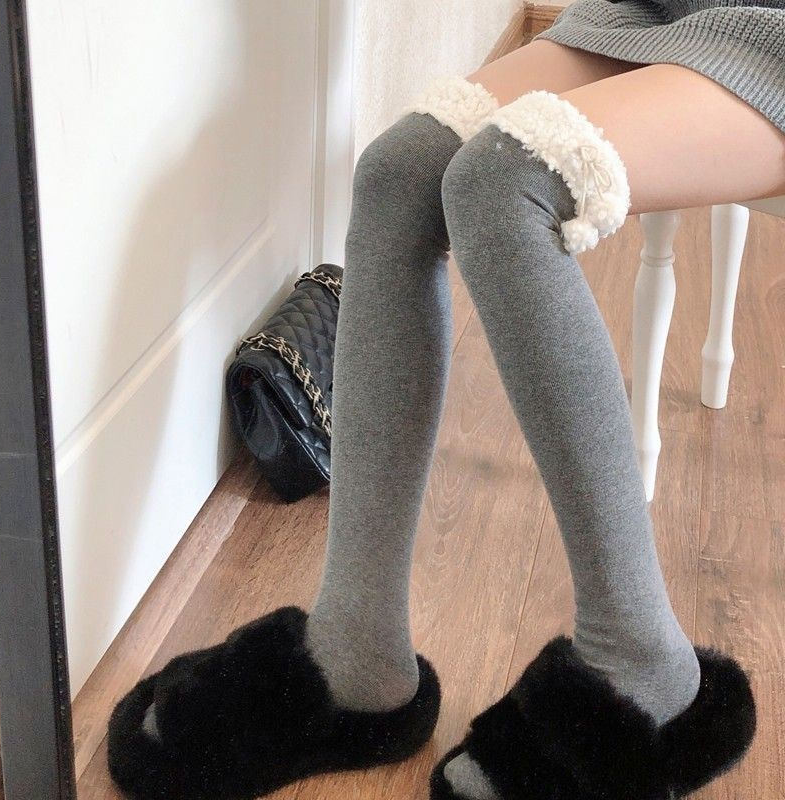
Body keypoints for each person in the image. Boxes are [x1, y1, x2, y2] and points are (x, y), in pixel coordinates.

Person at [107, 1, 784, 798]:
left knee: (505, 184)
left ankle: (642, 660)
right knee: (399, 175)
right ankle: (355, 649)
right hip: (662, 9)